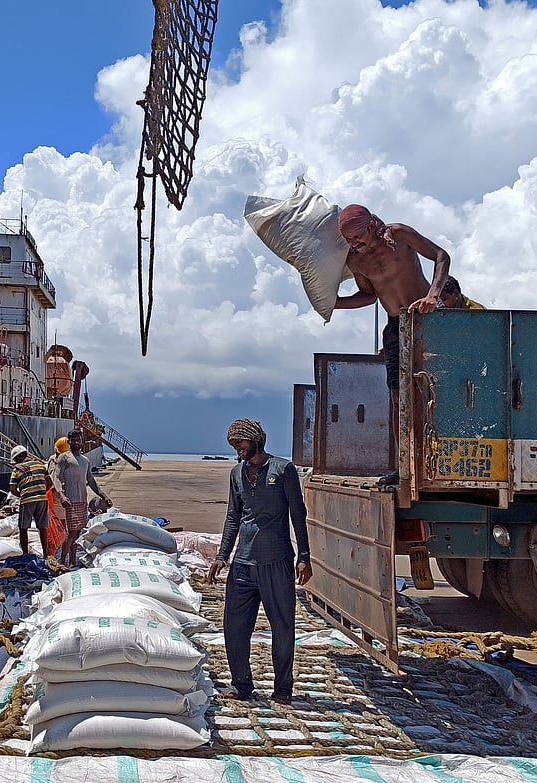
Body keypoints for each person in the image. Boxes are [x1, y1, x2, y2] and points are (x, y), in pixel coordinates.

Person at [333, 204, 451, 486]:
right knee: (399, 398)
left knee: (440, 392)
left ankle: (445, 459)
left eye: (358, 236)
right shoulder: (355, 261)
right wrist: (335, 304)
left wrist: (433, 295)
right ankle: (404, 465)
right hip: (396, 327)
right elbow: (368, 296)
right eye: (349, 240)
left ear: (372, 225)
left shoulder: (398, 235)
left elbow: (441, 256)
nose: (354, 243)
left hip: (430, 319)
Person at [206, 418, 312, 705]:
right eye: (233, 443)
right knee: (235, 627)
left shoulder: (283, 470)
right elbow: (232, 517)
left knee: (283, 627)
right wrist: (221, 556)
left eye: (240, 441)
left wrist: (304, 556)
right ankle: (241, 685)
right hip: (243, 564)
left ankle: (282, 689)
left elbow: (297, 514)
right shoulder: (236, 474)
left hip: (277, 561)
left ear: (255, 439)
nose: (236, 447)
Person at [50, 429, 111, 567]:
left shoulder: (85, 460)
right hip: (70, 501)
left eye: (78, 440)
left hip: (82, 500)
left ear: (82, 441)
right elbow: (57, 478)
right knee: (71, 533)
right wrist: (62, 495)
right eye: (73, 440)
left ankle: (72, 561)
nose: (76, 443)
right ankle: (62, 561)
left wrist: (103, 495)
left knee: (77, 534)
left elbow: (90, 480)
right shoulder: (64, 458)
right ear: (69, 442)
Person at [9, 445, 52, 556]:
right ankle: (46, 555)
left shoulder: (16, 470)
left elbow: (13, 490)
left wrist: (22, 494)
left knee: (23, 528)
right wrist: (41, 491)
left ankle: (25, 555)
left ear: (17, 458)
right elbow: (50, 483)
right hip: (42, 499)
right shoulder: (41, 465)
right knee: (42, 528)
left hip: (27, 500)